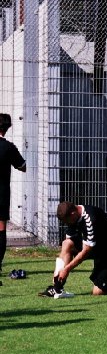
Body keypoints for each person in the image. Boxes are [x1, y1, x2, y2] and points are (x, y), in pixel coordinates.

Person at [39, 202, 107, 298]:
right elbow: (68, 242)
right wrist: (58, 270)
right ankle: (57, 288)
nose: (67, 224)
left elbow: (86, 251)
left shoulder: (90, 219)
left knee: (98, 293)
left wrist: (66, 269)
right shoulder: (73, 217)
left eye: (67, 221)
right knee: (66, 244)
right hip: (93, 246)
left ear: (72, 214)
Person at [0, 113, 26, 273]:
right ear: (8, 128)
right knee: (1, 228)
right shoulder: (9, 147)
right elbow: (22, 166)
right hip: (1, 194)